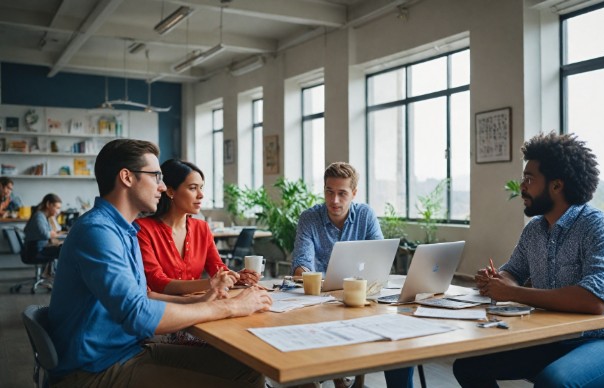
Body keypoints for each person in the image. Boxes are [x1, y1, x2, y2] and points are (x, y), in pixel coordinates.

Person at [48, 139, 272, 387]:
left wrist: (203, 299)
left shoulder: (125, 230)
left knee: (248, 370)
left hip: (128, 352)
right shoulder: (97, 232)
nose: (163, 186)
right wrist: (231, 307)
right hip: (93, 370)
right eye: (156, 176)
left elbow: (145, 297)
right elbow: (139, 315)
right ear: (127, 177)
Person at [453, 132, 604, 387]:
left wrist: (513, 293)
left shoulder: (601, 228)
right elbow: (512, 272)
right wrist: (497, 280)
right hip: (561, 339)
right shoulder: (535, 229)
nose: (522, 187)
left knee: (555, 382)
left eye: (529, 179)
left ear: (557, 185)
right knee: (468, 366)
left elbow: (595, 301)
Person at [291, 162, 414, 388]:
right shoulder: (310, 218)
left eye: (342, 193)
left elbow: (380, 256)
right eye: (329, 192)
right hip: (319, 302)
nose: (334, 200)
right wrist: (308, 275)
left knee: (401, 339)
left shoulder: (365, 215)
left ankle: (351, 377)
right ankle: (332, 377)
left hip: (361, 299)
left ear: (353, 193)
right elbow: (301, 263)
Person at [137, 159, 259, 295]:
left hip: (199, 304)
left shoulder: (202, 228)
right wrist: (211, 283)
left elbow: (218, 269)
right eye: (193, 188)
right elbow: (156, 281)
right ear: (170, 191)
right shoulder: (142, 229)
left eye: (201, 187)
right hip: (163, 310)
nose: (201, 195)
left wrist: (236, 277)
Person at [23, 193, 64, 279]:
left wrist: (53, 219)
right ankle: (59, 276)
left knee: (62, 247)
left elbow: (55, 231)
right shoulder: (39, 216)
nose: (58, 211)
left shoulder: (44, 216)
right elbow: (46, 234)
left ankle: (51, 273)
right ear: (48, 204)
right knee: (64, 249)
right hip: (35, 252)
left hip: (37, 249)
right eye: (57, 208)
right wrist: (51, 233)